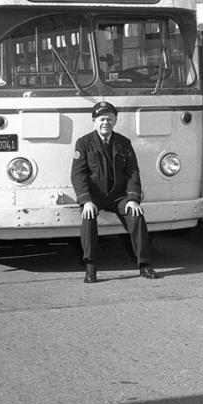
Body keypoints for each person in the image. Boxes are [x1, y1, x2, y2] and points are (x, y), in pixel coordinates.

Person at [71, 101, 157, 282]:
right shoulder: (84, 143)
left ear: (115, 121)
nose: (105, 123)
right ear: (94, 121)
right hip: (95, 196)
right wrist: (86, 200)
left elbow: (133, 172)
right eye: (102, 119)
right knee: (88, 217)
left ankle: (145, 265)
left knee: (136, 216)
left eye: (109, 119)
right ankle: (90, 266)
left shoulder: (124, 143)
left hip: (119, 197)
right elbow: (78, 175)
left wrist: (133, 199)